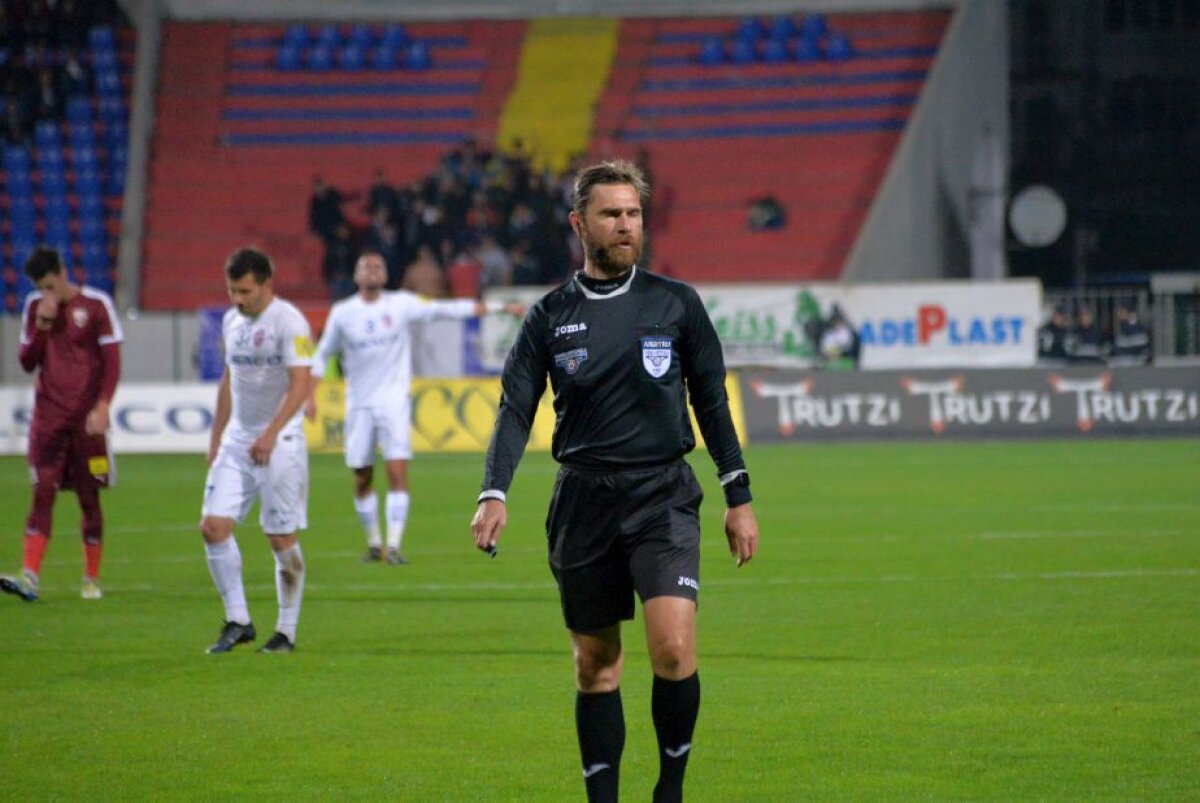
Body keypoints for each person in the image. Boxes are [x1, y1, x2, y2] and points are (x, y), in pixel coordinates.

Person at [470, 160, 760, 803]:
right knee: (596, 666)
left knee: (674, 650)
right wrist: (494, 492)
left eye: (633, 213)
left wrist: (738, 497)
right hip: (583, 500)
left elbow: (712, 402)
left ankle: (671, 790)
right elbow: (515, 410)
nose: (626, 225)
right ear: (580, 224)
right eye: (611, 214)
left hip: (663, 495)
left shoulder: (676, 303)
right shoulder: (549, 316)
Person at [308, 252, 522, 564]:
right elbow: (321, 354)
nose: (372, 270)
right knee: (362, 476)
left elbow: (446, 309)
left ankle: (393, 545)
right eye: (365, 266)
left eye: (378, 265)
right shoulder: (343, 313)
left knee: (397, 470)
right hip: (359, 405)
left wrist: (498, 308)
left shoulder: (400, 305)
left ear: (385, 274)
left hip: (393, 403)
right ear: (356, 276)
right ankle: (373, 543)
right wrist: (309, 395)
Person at [200, 247, 314, 654]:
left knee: (280, 537)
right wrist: (216, 438)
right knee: (212, 527)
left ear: (268, 284)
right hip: (238, 439)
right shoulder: (232, 321)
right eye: (232, 290)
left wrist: (270, 432)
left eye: (245, 291)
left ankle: (286, 631)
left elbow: (302, 384)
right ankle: (238, 620)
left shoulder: (289, 321)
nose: (237, 299)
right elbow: (229, 380)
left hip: (279, 442)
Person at [1, 246, 122, 602]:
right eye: (41, 288)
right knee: (42, 493)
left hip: (87, 424)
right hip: (48, 422)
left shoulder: (97, 305)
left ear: (63, 272)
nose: (47, 294)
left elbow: (112, 361)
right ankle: (30, 576)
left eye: (51, 286)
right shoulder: (35, 310)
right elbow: (27, 362)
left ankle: (91, 577)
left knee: (89, 499)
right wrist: (42, 324)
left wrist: (102, 406)